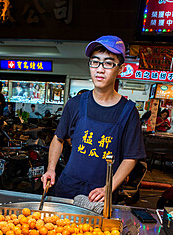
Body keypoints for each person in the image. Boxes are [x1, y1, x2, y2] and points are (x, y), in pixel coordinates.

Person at [42, 35, 146, 202]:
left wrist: (108, 188)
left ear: (120, 69)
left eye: (108, 63)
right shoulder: (75, 104)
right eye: (95, 62)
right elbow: (58, 138)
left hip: (100, 193)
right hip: (67, 186)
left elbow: (131, 157)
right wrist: (51, 169)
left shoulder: (129, 112)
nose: (100, 69)